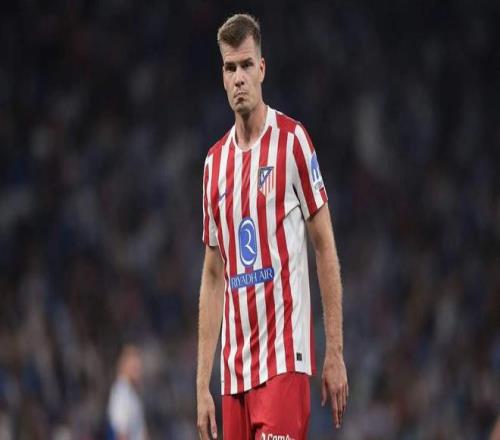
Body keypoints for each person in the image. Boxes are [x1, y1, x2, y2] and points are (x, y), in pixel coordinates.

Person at [196, 13, 348, 440]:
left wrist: (334, 351)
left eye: (247, 65)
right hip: (233, 377)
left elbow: (324, 245)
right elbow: (213, 275)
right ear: (222, 76)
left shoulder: (292, 141)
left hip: (283, 362)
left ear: (262, 69)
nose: (239, 78)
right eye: (230, 68)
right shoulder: (213, 165)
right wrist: (202, 384)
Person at [107, 345, 148, 440]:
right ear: (124, 365)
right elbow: (120, 433)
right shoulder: (121, 393)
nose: (139, 370)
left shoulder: (131, 392)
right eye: (134, 366)